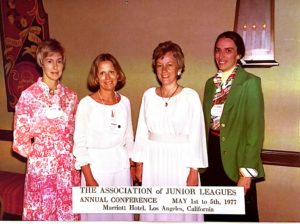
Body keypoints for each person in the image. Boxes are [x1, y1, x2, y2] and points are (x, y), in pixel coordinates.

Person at [132, 41, 208, 222]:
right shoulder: (148, 95)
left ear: (179, 68)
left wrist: (193, 170)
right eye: (159, 65)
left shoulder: (190, 97)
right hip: (153, 162)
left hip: (180, 163)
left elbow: (197, 134)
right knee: (155, 210)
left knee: (180, 211)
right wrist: (139, 163)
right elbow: (142, 130)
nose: (164, 70)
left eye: (169, 65)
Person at [200, 31, 265, 222]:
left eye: (228, 51)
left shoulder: (250, 83)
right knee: (212, 215)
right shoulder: (210, 84)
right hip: (211, 159)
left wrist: (246, 174)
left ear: (238, 55)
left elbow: (255, 131)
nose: (221, 56)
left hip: (237, 161)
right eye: (218, 50)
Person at [12, 39, 80, 221]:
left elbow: (76, 133)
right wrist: (41, 155)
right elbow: (20, 140)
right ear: (41, 62)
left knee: (67, 212)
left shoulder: (71, 96)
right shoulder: (29, 96)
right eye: (50, 61)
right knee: (43, 212)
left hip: (67, 166)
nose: (55, 66)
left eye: (59, 61)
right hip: (42, 168)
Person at [73, 53, 134, 221]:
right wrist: (90, 179)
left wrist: (132, 168)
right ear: (96, 77)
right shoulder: (86, 104)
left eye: (111, 72)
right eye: (102, 73)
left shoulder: (125, 102)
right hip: (96, 170)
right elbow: (80, 144)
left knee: (121, 216)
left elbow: (129, 138)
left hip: (121, 170)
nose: (108, 77)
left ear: (118, 74)